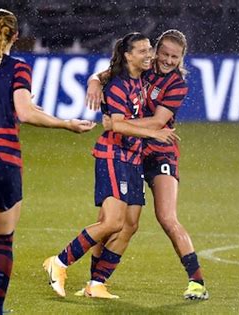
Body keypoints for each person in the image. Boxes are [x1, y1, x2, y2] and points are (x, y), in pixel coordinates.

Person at [0, 8, 96, 315]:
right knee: (3, 240)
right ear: (15, 36)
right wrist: (65, 124)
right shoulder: (17, 68)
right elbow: (25, 112)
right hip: (2, 158)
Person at [43, 32, 179, 299]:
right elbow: (115, 124)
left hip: (133, 158)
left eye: (149, 49)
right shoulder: (118, 85)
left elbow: (100, 76)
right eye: (142, 51)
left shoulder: (141, 75)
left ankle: (96, 283)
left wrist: (94, 80)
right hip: (114, 155)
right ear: (128, 55)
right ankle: (58, 263)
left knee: (130, 225)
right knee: (112, 222)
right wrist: (154, 132)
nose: (149, 54)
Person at [85, 29, 209, 300]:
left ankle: (196, 280)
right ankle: (95, 281)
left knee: (166, 216)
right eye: (163, 53)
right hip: (131, 150)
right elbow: (104, 74)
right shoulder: (144, 65)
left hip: (161, 152)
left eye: (174, 57)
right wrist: (94, 82)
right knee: (115, 221)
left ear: (181, 58)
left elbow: (156, 124)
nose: (166, 60)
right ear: (155, 51)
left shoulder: (177, 85)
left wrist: (116, 124)